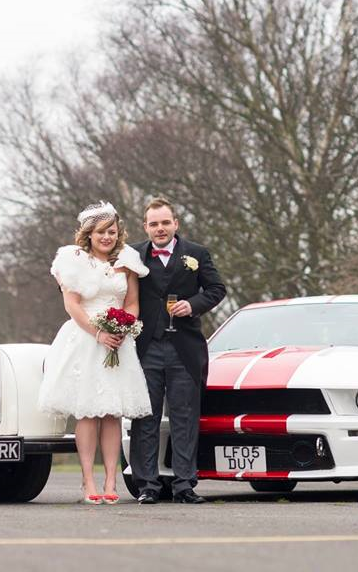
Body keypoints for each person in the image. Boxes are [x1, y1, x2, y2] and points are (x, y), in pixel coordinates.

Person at [38, 201, 152, 505]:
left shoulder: (127, 260)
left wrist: (123, 327)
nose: (107, 237)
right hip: (85, 338)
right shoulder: (73, 259)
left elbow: (131, 302)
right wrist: (98, 332)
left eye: (112, 231)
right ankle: (88, 480)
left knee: (112, 411)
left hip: (117, 339)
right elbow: (72, 304)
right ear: (89, 234)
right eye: (101, 231)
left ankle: (112, 479)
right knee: (88, 411)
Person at [129, 197, 226, 504]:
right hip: (146, 348)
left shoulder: (196, 254)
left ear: (176, 224)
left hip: (185, 348)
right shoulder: (132, 255)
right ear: (145, 227)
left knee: (185, 417)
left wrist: (193, 305)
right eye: (154, 224)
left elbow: (216, 289)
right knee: (146, 417)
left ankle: (185, 484)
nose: (160, 229)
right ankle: (147, 485)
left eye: (165, 222)